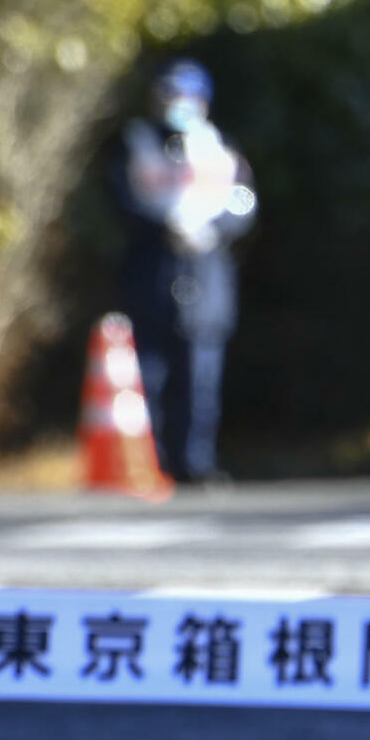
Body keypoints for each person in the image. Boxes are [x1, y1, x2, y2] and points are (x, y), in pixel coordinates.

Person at [113, 60, 256, 485]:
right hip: (154, 269)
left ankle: (195, 462)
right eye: (167, 96)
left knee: (200, 379)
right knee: (148, 375)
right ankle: (149, 462)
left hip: (205, 273)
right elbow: (120, 196)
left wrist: (214, 230)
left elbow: (244, 203)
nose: (175, 105)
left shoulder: (221, 147)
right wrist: (162, 228)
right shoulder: (136, 143)